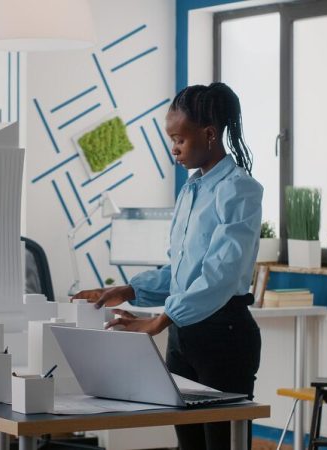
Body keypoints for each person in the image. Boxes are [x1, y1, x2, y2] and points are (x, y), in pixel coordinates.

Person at [74, 82, 263, 450]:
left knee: (222, 444)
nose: (174, 148)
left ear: (209, 135)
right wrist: (129, 289)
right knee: (187, 446)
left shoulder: (240, 190)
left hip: (224, 336)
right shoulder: (191, 189)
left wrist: (161, 319)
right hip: (184, 337)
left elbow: (219, 276)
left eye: (180, 138)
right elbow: (181, 271)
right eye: (170, 139)